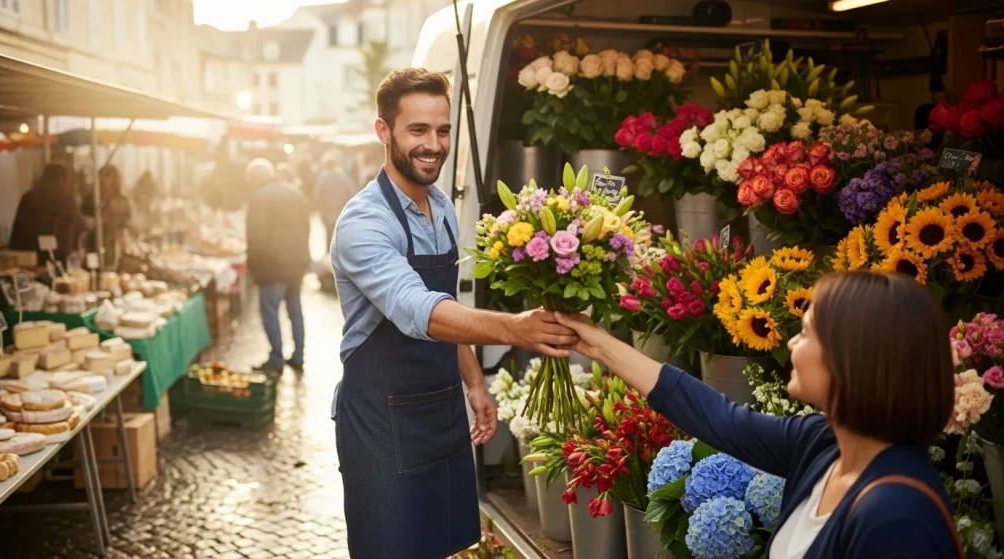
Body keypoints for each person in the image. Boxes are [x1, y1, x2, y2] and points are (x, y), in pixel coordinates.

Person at [330, 68, 577, 558]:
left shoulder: (440, 206)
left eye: (443, 131)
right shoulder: (364, 223)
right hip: (381, 421)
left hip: (440, 410)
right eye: (417, 130)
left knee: (439, 548)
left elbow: (449, 303)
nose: (434, 144)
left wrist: (474, 383)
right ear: (384, 132)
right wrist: (516, 329)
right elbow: (422, 310)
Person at [554, 271, 962, 559]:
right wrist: (601, 345)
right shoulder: (823, 446)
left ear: (851, 359)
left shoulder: (897, 516)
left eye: (804, 332)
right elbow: (717, 417)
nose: (791, 344)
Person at [245, 158, 310, 373]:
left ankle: (276, 359)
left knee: (270, 311)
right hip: (297, 262)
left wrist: (254, 268)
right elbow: (306, 227)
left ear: (255, 178)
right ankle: (298, 356)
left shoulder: (259, 198)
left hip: (273, 266)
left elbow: (256, 237)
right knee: (295, 309)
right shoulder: (294, 192)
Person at [9, 162, 87, 265]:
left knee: (26, 280)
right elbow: (80, 224)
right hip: (58, 258)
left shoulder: (28, 198)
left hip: (29, 258)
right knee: (59, 281)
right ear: (63, 180)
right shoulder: (66, 201)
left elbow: (16, 231)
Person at [81, 164, 131, 268]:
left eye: (112, 180)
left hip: (114, 246)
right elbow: (82, 219)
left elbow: (125, 222)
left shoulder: (121, 200)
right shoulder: (90, 199)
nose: (107, 184)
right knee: (93, 271)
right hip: (92, 244)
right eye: (105, 179)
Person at [314, 150, 359, 253]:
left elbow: (318, 196)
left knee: (329, 236)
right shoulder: (342, 177)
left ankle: (329, 257)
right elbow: (353, 193)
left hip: (328, 213)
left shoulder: (323, 178)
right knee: (341, 236)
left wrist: (321, 211)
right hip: (342, 211)